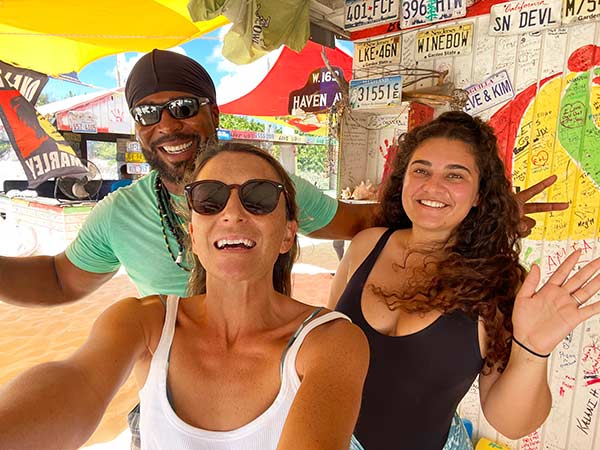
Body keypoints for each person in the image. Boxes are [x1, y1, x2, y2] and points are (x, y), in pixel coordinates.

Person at [0, 49, 567, 308]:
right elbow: (58, 280)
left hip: (275, 379)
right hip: (169, 390)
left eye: (184, 105)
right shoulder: (119, 215)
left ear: (213, 111)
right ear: (135, 127)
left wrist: (474, 209)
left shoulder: (272, 190)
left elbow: (365, 219)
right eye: (148, 112)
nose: (168, 124)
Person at [0, 143, 369, 450]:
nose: (233, 213)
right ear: (194, 233)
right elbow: (74, 385)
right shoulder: (143, 323)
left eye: (259, 197)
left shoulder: (330, 341)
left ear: (288, 234)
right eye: (210, 199)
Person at [328, 111, 600, 450]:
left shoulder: (498, 283)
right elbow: (324, 347)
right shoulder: (366, 245)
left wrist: (533, 351)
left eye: (455, 175)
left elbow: (511, 424)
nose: (432, 185)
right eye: (421, 170)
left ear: (479, 196)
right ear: (404, 180)